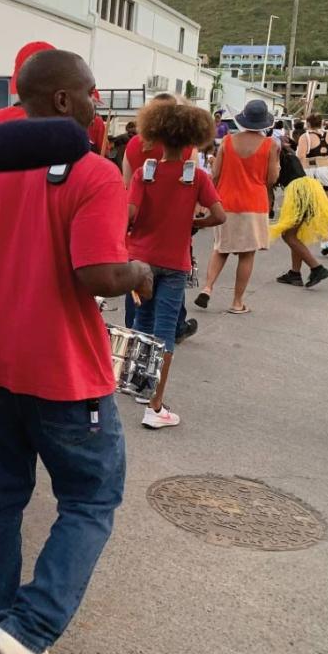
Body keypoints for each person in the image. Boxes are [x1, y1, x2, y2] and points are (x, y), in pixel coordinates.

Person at [0, 49, 153, 654]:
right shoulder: (94, 172)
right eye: (89, 92)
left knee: (2, 498)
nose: (95, 101)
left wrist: (7, 265)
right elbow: (98, 274)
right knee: (90, 501)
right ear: (61, 101)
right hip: (65, 379)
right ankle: (29, 629)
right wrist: (138, 271)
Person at [127, 102, 225, 429]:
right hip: (175, 260)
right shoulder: (196, 176)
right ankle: (155, 406)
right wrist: (196, 222)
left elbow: (129, 214)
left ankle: (139, 384)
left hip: (141, 259)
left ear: (155, 135)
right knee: (165, 329)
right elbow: (220, 215)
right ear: (191, 141)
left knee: (141, 319)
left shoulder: (145, 173)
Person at [120, 94, 198, 343]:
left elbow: (126, 186)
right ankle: (174, 327)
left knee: (138, 279)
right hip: (174, 229)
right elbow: (194, 189)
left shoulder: (133, 144)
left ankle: (134, 330)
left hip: (140, 230)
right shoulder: (187, 148)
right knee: (172, 280)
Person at [197, 100, 280, 314]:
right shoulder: (271, 145)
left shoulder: (227, 141)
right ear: (264, 122)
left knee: (220, 248)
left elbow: (215, 174)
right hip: (254, 203)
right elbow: (271, 178)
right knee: (246, 254)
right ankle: (237, 302)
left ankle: (207, 288)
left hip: (226, 201)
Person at [270, 178, 328, 288]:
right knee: (293, 235)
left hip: (299, 189)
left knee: (288, 235)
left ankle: (316, 268)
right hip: (306, 188)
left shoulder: (276, 159)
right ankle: (295, 273)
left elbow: (273, 176)